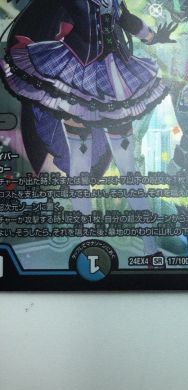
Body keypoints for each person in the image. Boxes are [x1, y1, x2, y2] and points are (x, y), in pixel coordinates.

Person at [0, 0, 177, 262]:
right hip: (78, 77)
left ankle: (150, 247)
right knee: (80, 164)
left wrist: (152, 36)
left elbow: (125, 19)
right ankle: (86, 242)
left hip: (117, 80)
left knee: (127, 167)